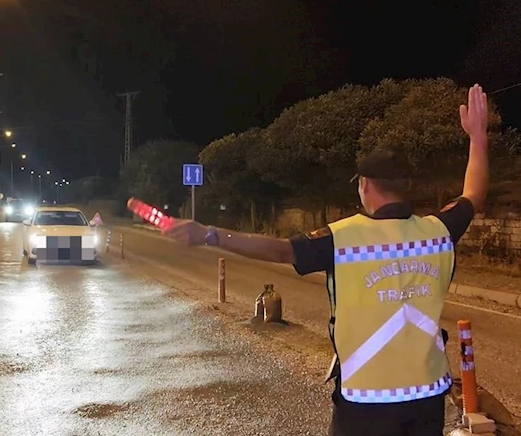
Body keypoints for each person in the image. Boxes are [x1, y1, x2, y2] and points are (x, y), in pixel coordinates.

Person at [162, 84, 490, 435]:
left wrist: (209, 233)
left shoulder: (342, 238)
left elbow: (280, 249)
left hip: (365, 403)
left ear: (364, 185)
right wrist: (477, 137)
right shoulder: (437, 231)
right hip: (427, 397)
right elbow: (474, 193)